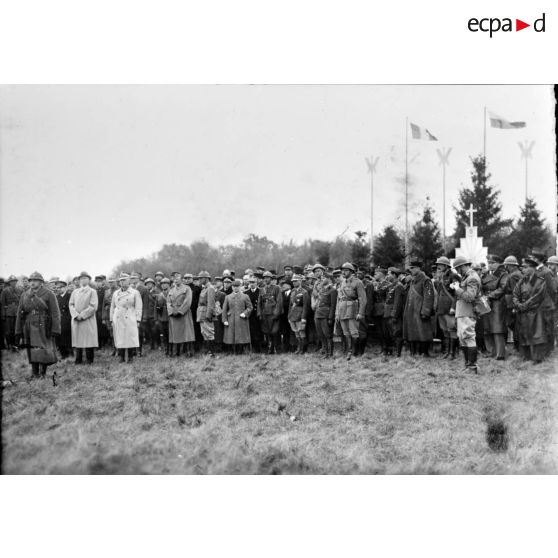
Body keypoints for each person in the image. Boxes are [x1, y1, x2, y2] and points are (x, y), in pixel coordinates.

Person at [15, 271, 61, 379]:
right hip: (29, 325)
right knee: (31, 349)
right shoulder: (24, 295)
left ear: (41, 282)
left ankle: (43, 373)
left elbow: (55, 312)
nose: (32, 283)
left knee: (42, 349)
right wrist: (18, 330)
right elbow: (19, 313)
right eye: (31, 280)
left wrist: (55, 328)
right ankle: (34, 373)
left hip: (43, 324)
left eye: (35, 280)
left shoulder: (49, 294)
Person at [513, 256, 548, 363]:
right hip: (523, 313)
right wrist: (518, 304)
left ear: (532, 268)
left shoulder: (540, 281)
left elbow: (538, 296)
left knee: (537, 335)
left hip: (535, 312)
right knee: (524, 334)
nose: (522, 269)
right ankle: (526, 357)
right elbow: (515, 294)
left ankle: (538, 358)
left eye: (525, 267)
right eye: (522, 267)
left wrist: (524, 305)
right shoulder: (521, 281)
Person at [450, 256, 481, 373]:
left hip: (468, 312)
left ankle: (472, 367)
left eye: (458, 268)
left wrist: (457, 289)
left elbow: (470, 297)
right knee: (463, 338)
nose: (457, 271)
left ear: (464, 265)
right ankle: (468, 365)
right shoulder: (467, 277)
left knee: (468, 337)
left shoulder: (472, 278)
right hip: (463, 312)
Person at [402, 258, 435, 357]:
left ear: (418, 268)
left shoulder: (426, 280)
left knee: (423, 331)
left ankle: (424, 352)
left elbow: (429, 296)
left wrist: (426, 311)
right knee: (411, 331)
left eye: (412, 268)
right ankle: (413, 352)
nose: (410, 270)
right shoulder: (412, 280)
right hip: (411, 310)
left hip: (420, 310)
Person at [335, 262, 367, 360]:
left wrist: (361, 313)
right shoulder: (342, 283)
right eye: (342, 271)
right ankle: (349, 351)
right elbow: (338, 299)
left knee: (354, 332)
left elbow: (363, 299)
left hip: (352, 310)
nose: (343, 272)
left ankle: (355, 352)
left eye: (346, 270)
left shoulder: (358, 282)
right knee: (346, 333)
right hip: (342, 310)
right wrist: (337, 313)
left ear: (351, 271)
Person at [110, 273, 143, 363]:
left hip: (130, 316)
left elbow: (138, 307)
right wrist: (111, 319)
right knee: (120, 337)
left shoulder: (135, 292)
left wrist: (138, 319)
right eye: (121, 280)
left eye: (124, 280)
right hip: (118, 317)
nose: (122, 282)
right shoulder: (116, 293)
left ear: (129, 281)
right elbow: (112, 307)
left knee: (130, 337)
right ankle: (121, 356)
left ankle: (130, 357)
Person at [482, 255, 509, 360]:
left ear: (498, 263)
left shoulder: (503, 274)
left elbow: (503, 288)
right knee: (487, 328)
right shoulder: (488, 274)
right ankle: (491, 352)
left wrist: (489, 296)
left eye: (492, 263)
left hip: (498, 303)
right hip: (487, 302)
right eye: (489, 262)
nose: (490, 265)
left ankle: (500, 354)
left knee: (498, 328)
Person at [531, 250, 557, 357]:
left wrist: (553, 303)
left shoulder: (547, 273)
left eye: (553, 264)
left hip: (549, 304)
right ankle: (546, 348)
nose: (550, 266)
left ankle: (549, 348)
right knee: (544, 327)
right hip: (542, 304)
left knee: (549, 327)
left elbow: (553, 290)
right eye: (549, 264)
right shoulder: (540, 271)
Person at [69, 271, 99, 364]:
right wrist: (75, 315)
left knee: (88, 339)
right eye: (81, 278)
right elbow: (70, 304)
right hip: (77, 319)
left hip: (87, 319)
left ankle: (90, 360)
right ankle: (78, 359)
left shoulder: (92, 291)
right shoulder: (75, 292)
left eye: (85, 278)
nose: (83, 280)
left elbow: (93, 306)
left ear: (89, 280)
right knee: (78, 340)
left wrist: (82, 315)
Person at [434, 257, 458, 359]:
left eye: (440, 265)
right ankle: (447, 351)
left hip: (449, 308)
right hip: (442, 308)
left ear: (446, 266)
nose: (438, 267)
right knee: (445, 330)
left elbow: (457, 293)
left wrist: (453, 307)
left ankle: (452, 353)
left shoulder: (453, 276)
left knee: (452, 329)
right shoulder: (440, 277)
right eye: (438, 265)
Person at [167, 273, 195, 357]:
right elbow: (168, 302)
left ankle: (188, 352)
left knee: (187, 334)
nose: (175, 280)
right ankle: (176, 353)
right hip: (173, 315)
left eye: (177, 278)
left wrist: (180, 311)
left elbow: (188, 301)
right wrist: (172, 311)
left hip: (184, 314)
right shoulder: (171, 290)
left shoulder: (187, 289)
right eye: (174, 279)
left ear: (182, 279)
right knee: (175, 335)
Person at [222, 279, 253, 354]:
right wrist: (224, 320)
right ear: (232, 287)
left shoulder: (245, 296)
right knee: (230, 336)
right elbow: (224, 309)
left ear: (240, 287)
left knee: (241, 335)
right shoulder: (228, 297)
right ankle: (231, 351)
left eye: (237, 286)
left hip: (241, 319)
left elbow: (250, 307)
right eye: (234, 286)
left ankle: (240, 351)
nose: (235, 288)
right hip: (231, 319)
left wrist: (245, 313)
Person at [257, 270, 283, 354]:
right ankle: (270, 348)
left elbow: (279, 301)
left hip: (273, 314)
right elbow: (259, 303)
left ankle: (276, 348)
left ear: (271, 279)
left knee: (275, 332)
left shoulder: (276, 288)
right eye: (264, 278)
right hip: (265, 314)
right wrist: (259, 313)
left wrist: (276, 313)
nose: (266, 279)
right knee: (266, 332)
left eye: (267, 278)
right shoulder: (262, 289)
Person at [314, 273, 337, 358]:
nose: (322, 279)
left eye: (324, 278)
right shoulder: (322, 290)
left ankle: (330, 354)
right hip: (318, 314)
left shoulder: (333, 290)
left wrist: (331, 317)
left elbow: (333, 305)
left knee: (328, 335)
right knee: (321, 335)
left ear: (329, 279)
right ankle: (325, 352)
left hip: (326, 315)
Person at [503, 255, 523, 351]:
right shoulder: (518, 273)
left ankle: (518, 347)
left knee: (514, 325)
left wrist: (515, 306)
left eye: (506, 265)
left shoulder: (513, 276)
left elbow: (516, 292)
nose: (505, 267)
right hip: (515, 304)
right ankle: (518, 347)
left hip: (512, 305)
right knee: (515, 325)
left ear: (509, 266)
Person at [287, 274, 310, 354]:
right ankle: (299, 348)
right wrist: (289, 316)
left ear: (300, 281)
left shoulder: (304, 292)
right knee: (296, 333)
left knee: (301, 332)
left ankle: (303, 349)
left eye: (296, 281)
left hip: (300, 315)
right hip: (293, 315)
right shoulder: (293, 291)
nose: (294, 283)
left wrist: (303, 317)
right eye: (293, 281)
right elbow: (290, 305)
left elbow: (305, 306)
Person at [196, 271, 216, 356]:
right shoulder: (204, 288)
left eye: (201, 278)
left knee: (209, 333)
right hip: (201, 313)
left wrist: (208, 315)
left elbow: (211, 303)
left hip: (206, 314)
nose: (199, 280)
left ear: (206, 278)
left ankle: (211, 352)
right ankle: (208, 351)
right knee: (204, 333)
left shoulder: (210, 288)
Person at [1, 275, 21, 351]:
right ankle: (10, 345)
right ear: (9, 282)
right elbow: (3, 304)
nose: (13, 283)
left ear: (16, 282)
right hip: (9, 313)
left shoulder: (19, 289)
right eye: (12, 281)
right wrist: (3, 315)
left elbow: (21, 301)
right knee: (9, 331)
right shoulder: (5, 291)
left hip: (17, 313)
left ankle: (17, 345)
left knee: (18, 330)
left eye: (15, 281)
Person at [54, 278, 73, 358]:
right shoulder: (56, 297)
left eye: (60, 287)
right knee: (60, 337)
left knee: (68, 337)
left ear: (65, 287)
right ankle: (63, 354)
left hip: (68, 319)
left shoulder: (70, 296)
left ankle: (70, 353)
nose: (58, 289)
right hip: (59, 320)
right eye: (57, 288)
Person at [245, 276, 262, 352]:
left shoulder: (261, 291)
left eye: (253, 282)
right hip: (250, 315)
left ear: (257, 283)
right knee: (251, 331)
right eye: (250, 282)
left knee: (259, 331)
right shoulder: (246, 293)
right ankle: (252, 348)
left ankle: (259, 348)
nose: (252, 284)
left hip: (258, 314)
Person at [154, 277, 171, 355]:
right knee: (163, 334)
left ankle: (171, 349)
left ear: (169, 285)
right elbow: (156, 307)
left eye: (165, 284)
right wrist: (156, 319)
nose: (164, 285)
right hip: (161, 317)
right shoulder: (159, 295)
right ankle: (166, 349)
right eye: (162, 284)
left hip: (170, 316)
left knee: (170, 334)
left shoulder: (171, 293)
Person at [94, 275, 108, 348]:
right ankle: (98, 344)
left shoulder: (105, 291)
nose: (98, 283)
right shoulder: (94, 291)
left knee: (103, 329)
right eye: (96, 282)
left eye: (99, 282)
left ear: (102, 282)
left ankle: (104, 344)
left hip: (102, 312)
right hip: (95, 312)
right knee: (97, 329)